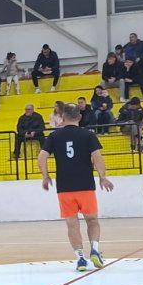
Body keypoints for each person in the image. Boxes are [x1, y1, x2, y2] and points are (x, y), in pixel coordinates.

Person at [39, 103, 112, 272]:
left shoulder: (54, 136)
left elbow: (41, 157)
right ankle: (95, 250)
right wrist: (102, 177)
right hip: (85, 185)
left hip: (65, 187)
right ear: (79, 117)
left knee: (72, 224)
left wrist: (45, 176)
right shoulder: (88, 135)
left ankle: (80, 259)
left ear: (62, 117)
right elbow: (97, 157)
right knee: (92, 220)